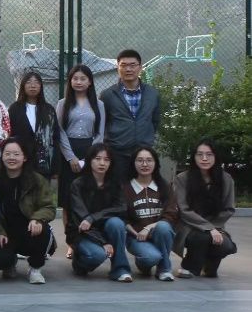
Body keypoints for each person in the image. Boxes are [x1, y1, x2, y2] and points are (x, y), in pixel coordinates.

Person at [0, 137, 55, 285]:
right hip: (5, 234)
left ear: (25, 157)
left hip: (29, 231)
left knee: (42, 230)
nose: (11, 157)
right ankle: (9, 263)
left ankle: (35, 268)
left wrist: (37, 219)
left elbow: (48, 207)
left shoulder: (37, 180)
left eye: (16, 154)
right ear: (2, 156)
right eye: (7, 154)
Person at [57, 64, 105, 259]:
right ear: (70, 81)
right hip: (68, 152)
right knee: (68, 201)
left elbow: (100, 133)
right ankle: (71, 242)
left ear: (90, 81)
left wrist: (89, 158)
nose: (78, 82)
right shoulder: (63, 104)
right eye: (75, 78)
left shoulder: (99, 105)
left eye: (83, 78)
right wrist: (71, 157)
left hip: (90, 152)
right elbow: (60, 132)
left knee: (87, 198)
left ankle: (88, 237)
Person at [174, 141, 237, 278]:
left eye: (209, 154)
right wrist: (208, 228)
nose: (204, 158)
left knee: (225, 246)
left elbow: (229, 209)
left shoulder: (226, 179)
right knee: (201, 237)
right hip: (188, 225)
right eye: (200, 154)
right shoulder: (182, 178)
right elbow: (183, 209)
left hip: (216, 225)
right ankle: (188, 266)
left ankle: (207, 262)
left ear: (215, 157)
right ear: (194, 157)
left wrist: (213, 227)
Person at [69, 144, 132, 281]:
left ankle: (120, 269)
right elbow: (81, 219)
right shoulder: (78, 184)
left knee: (117, 223)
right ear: (90, 160)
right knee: (97, 255)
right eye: (97, 159)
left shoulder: (115, 184)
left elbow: (121, 208)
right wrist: (103, 242)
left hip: (105, 229)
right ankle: (79, 262)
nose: (102, 163)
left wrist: (93, 217)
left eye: (106, 159)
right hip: (83, 233)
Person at [99, 50, 162, 181]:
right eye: (123, 65)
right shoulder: (107, 95)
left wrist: (146, 138)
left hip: (144, 153)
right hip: (117, 153)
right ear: (118, 67)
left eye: (132, 65)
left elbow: (155, 121)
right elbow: (102, 123)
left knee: (142, 188)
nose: (128, 69)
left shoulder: (152, 94)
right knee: (117, 189)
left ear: (140, 67)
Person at [123, 146, 178, 281]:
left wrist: (149, 227)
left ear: (155, 163)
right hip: (136, 237)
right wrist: (134, 232)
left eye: (149, 160)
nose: (144, 164)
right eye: (140, 160)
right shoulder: (126, 188)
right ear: (133, 163)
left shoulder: (164, 186)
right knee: (151, 257)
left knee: (164, 227)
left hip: (159, 234)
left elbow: (171, 214)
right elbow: (121, 216)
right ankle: (144, 263)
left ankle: (164, 269)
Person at [7, 71, 57, 177]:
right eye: (29, 82)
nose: (32, 85)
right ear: (23, 86)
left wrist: (55, 167)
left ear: (41, 86)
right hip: (21, 160)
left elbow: (55, 137)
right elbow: (10, 134)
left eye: (36, 82)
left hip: (44, 161)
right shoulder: (15, 108)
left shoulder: (49, 110)